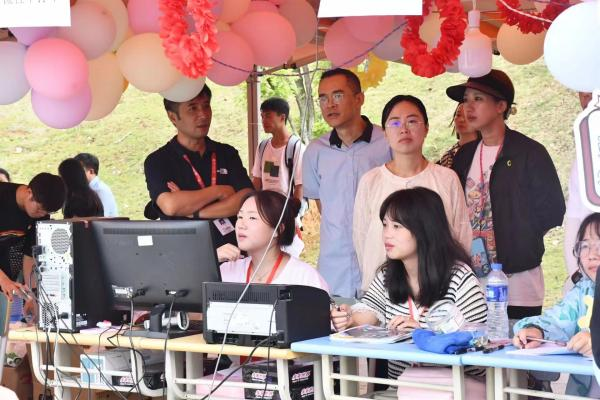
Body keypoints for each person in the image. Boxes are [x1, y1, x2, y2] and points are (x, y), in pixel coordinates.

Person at [332, 188, 486, 379]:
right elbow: (370, 311)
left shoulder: (460, 278)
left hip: (456, 388)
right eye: (385, 225)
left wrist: (424, 335)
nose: (387, 234)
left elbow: (477, 342)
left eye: (397, 226)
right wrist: (350, 319)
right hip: (402, 388)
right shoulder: (387, 276)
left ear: (424, 229)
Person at [448, 69, 565, 320]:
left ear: (501, 106)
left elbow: (553, 210)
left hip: (519, 280)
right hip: (472, 281)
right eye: (465, 100)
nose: (468, 107)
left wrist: (521, 237)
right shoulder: (465, 155)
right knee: (476, 344)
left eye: (478, 99)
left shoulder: (529, 153)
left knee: (518, 339)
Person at [353, 95, 471, 292]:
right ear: (384, 133)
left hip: (438, 292)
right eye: (395, 123)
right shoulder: (370, 181)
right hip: (382, 294)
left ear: (426, 128)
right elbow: (361, 239)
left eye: (412, 121)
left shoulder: (446, 179)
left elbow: (462, 236)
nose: (404, 129)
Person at [303, 68, 391, 298]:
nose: (330, 105)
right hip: (335, 267)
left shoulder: (387, 143)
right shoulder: (315, 151)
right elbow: (322, 205)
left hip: (383, 260)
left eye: (338, 96)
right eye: (323, 98)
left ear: (359, 99)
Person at [144, 84, 253, 248]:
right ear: (173, 117)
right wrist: (219, 191)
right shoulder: (158, 161)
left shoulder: (226, 153)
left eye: (206, 106)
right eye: (193, 108)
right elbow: (170, 205)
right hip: (186, 254)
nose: (203, 114)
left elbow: (247, 200)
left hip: (234, 253)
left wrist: (194, 212)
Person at [513, 213, 600, 397]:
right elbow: (556, 321)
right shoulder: (582, 292)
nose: (592, 255)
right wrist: (537, 331)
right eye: (585, 246)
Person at [218, 190, 328, 292]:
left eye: (252, 218)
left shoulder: (305, 279)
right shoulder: (226, 271)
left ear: (278, 229)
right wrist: (211, 261)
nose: (241, 225)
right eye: (240, 217)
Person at [0, 173, 65, 313]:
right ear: (29, 193)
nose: (42, 214)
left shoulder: (42, 215)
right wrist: (3, 280)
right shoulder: (3, 197)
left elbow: (30, 255)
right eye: (40, 209)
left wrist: (32, 296)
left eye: (48, 212)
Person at [564, 92, 594, 291]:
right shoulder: (583, 155)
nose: (587, 100)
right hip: (588, 274)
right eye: (582, 94)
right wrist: (575, 274)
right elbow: (574, 218)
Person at [252, 97, 304, 202]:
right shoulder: (262, 146)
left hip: (287, 207)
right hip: (266, 207)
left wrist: (293, 210)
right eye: (262, 116)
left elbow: (300, 186)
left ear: (282, 117)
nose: (263, 121)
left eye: (268, 116)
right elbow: (257, 180)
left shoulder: (296, 147)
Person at [74, 153, 118, 217]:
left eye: (78, 170)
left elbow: (102, 218)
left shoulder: (101, 190)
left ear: (91, 171)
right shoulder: (80, 191)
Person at [437, 103, 479, 168]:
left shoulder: (484, 150)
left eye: (468, 116)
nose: (461, 120)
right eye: (458, 115)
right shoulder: (448, 155)